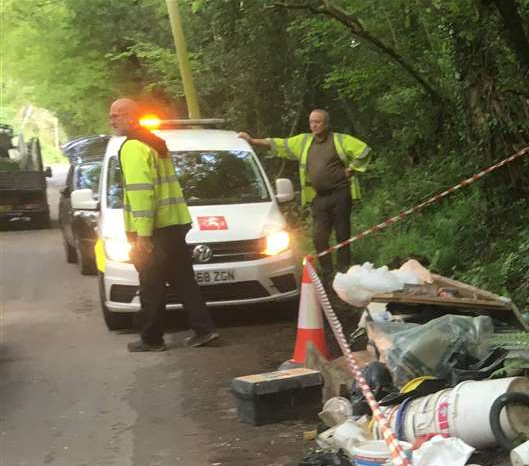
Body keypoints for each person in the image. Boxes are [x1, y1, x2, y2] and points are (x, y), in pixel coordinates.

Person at [107, 98, 218, 352]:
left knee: (151, 284)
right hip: (174, 225)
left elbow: (142, 193)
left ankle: (151, 339)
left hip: (154, 230)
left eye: (116, 115)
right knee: (184, 281)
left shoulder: (133, 147)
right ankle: (205, 330)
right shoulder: (155, 143)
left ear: (131, 117)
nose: (112, 120)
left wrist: (143, 236)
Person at [238, 111, 371, 282]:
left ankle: (343, 271)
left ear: (326, 124)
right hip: (318, 197)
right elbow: (280, 144)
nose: (314, 125)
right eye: (311, 122)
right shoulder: (304, 141)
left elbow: (364, 151)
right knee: (319, 236)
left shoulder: (339, 140)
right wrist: (253, 141)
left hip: (340, 194)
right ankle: (328, 272)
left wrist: (351, 169)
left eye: (318, 122)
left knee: (342, 234)